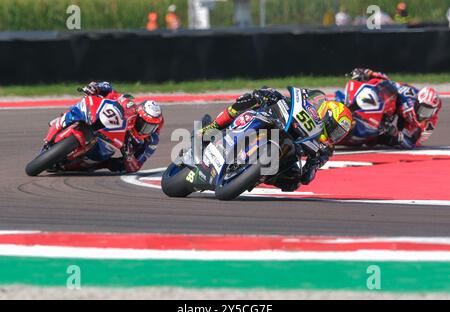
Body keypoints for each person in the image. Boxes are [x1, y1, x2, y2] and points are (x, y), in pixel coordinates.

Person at [199, 87, 353, 191]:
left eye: (339, 134)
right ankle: (211, 127)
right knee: (254, 98)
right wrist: (272, 95)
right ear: (327, 117)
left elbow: (308, 176)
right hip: (279, 121)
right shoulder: (315, 102)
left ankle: (251, 176)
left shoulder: (326, 148)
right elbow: (294, 100)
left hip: (290, 149)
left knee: (293, 182)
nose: (335, 135)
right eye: (335, 129)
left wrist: (311, 167)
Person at [51, 82, 164, 173]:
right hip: (106, 125)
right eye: (143, 123)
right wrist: (96, 87)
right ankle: (61, 123)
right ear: (138, 115)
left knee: (115, 165)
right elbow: (111, 90)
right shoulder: (131, 108)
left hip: (112, 145)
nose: (145, 128)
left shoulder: (152, 141)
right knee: (80, 107)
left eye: (151, 127)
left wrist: (129, 156)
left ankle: (75, 165)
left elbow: (136, 166)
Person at [350, 69, 442, 148]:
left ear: (434, 112)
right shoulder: (408, 94)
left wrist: (394, 133)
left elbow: (413, 143)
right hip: (390, 110)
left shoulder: (429, 125)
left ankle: (367, 134)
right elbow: (389, 82)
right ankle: (353, 106)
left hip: (400, 128)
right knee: (387, 90)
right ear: (417, 102)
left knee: (391, 141)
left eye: (428, 112)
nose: (423, 114)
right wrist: (369, 73)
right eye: (423, 109)